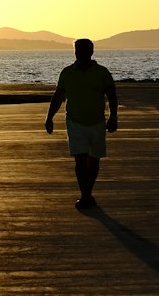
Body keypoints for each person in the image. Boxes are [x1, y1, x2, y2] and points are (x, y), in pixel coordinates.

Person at [45, 38, 118, 210]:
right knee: (80, 159)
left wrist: (113, 117)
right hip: (75, 122)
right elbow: (58, 96)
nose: (80, 53)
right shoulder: (67, 73)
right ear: (75, 51)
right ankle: (85, 195)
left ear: (91, 52)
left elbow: (112, 96)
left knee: (94, 160)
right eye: (78, 50)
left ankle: (87, 193)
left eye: (84, 50)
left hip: (97, 122)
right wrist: (49, 118)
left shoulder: (102, 73)